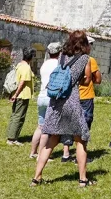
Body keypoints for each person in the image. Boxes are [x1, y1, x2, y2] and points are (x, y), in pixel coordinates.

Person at [32, 30, 95, 187]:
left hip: (56, 101)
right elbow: (87, 81)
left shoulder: (62, 56)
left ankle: (36, 177)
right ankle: (82, 179)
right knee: (80, 141)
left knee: (50, 141)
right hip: (72, 101)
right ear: (85, 43)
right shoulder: (85, 59)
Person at [29, 42, 72, 161]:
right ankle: (42, 155)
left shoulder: (45, 64)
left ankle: (33, 152)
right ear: (59, 52)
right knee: (47, 129)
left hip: (41, 96)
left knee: (40, 126)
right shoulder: (59, 64)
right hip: (51, 96)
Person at [5, 47, 35, 145]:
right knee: (19, 116)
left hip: (18, 94)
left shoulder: (19, 65)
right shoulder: (26, 67)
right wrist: (16, 94)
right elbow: (22, 82)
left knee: (15, 115)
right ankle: (12, 139)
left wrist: (13, 95)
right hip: (22, 95)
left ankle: (11, 135)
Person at [78, 36, 102, 133]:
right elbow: (98, 79)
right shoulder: (90, 60)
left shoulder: (71, 58)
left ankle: (67, 146)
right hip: (86, 95)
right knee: (86, 120)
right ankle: (82, 144)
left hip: (72, 94)